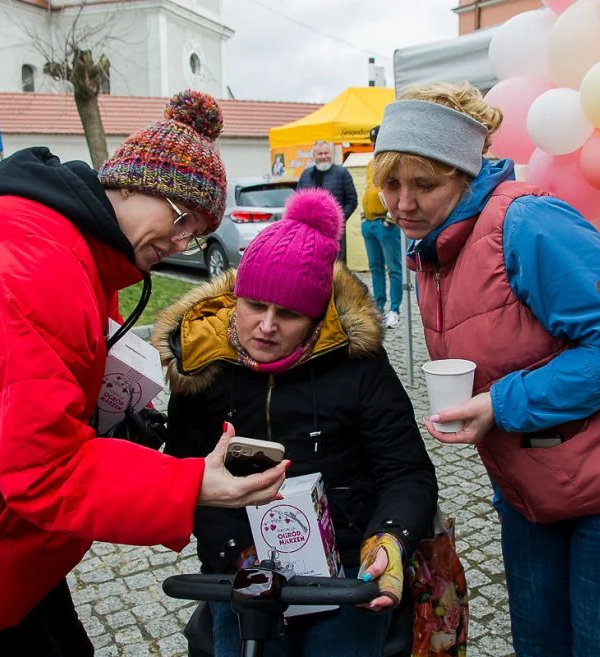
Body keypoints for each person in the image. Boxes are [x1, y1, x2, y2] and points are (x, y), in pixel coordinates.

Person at [0, 90, 288, 657]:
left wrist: (114, 421)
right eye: (178, 219)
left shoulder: (67, 247)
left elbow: (27, 399)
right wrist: (191, 484)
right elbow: (42, 468)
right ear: (127, 182)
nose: (179, 243)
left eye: (194, 234)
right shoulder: (30, 264)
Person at [372, 81, 600, 657]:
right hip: (536, 492)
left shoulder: (527, 222)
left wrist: (499, 405)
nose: (403, 202)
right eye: (390, 184)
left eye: (423, 184)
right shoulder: (432, 250)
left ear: (464, 174)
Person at [153, 187, 438, 657]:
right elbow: (185, 471)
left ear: (315, 318)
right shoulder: (202, 367)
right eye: (254, 305)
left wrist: (387, 539)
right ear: (235, 297)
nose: (266, 325)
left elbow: (406, 472)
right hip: (237, 568)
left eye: (288, 314)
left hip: (344, 566)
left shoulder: (359, 364)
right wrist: (231, 548)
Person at [360, 125, 403, 329]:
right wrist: (363, 215)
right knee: (375, 268)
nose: (375, 145)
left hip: (385, 223)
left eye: (378, 141)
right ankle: (379, 308)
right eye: (373, 142)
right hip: (369, 222)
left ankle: (394, 309)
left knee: (393, 268)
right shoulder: (370, 163)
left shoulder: (392, 162)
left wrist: (391, 218)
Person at [298, 140, 358, 262]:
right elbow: (298, 202)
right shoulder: (305, 175)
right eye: (320, 154)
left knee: (336, 267)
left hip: (335, 233)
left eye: (326, 153)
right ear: (313, 156)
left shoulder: (342, 173)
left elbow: (352, 201)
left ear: (331, 154)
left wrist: (338, 220)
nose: (324, 157)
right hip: (311, 234)